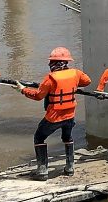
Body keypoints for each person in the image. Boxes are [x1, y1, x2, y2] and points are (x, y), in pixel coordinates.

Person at [19, 47, 91, 180]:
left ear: (53, 63)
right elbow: (87, 81)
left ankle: (42, 170)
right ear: (67, 62)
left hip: (53, 117)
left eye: (51, 62)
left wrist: (23, 90)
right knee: (67, 138)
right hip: (70, 116)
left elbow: (38, 96)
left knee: (39, 137)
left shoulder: (50, 78)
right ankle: (70, 168)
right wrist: (72, 85)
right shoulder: (76, 73)